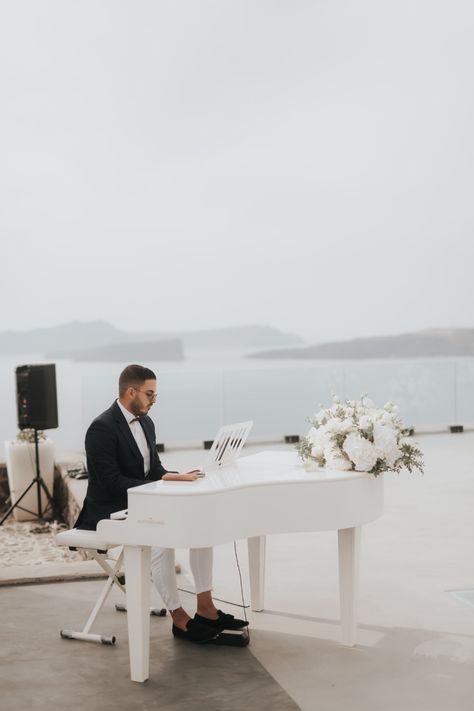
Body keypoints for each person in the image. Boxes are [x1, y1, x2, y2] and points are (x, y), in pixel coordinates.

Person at [75, 364, 248, 643]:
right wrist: (159, 487)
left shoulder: (145, 422)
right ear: (131, 391)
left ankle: (206, 608)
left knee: (202, 527)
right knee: (161, 539)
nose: (154, 401)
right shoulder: (101, 428)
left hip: (145, 501)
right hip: (111, 510)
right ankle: (179, 619)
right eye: (149, 394)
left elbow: (153, 469)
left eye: (155, 395)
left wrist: (176, 477)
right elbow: (110, 483)